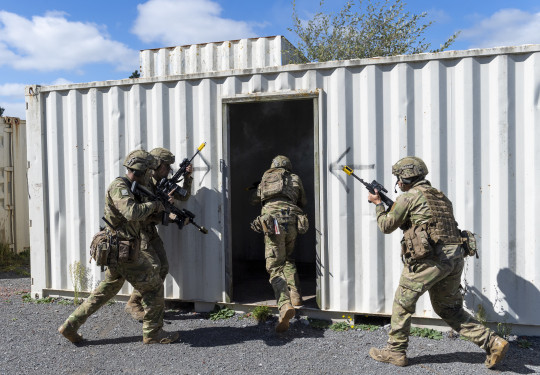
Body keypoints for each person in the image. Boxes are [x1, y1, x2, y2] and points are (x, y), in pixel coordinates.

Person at [367, 156, 509, 368]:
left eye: (398, 178)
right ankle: (493, 342)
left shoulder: (409, 197)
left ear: (406, 177)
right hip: (454, 257)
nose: (397, 183)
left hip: (431, 260)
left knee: (402, 302)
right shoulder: (440, 197)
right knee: (449, 309)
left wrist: (378, 204)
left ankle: (395, 351)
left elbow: (386, 225)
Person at [58, 149, 180, 344]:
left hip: (123, 248)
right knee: (153, 285)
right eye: (149, 170)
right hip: (122, 249)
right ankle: (153, 333)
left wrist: (162, 208)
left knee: (105, 290)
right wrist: (155, 205)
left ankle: (70, 326)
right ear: (142, 170)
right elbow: (132, 212)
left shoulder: (134, 188)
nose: (151, 174)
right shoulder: (119, 187)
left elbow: (142, 217)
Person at [125, 147, 193, 320]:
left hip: (151, 230)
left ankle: (149, 306)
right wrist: (160, 205)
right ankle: (135, 304)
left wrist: (187, 177)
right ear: (159, 165)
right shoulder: (143, 182)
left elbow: (183, 196)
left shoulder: (164, 182)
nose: (169, 170)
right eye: (167, 166)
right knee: (153, 268)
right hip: (140, 231)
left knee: (163, 267)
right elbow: (137, 210)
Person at [250, 155, 308, 332]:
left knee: (274, 266)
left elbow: (254, 200)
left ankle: (284, 305)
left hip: (272, 223)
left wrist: (258, 191)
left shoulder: (266, 178)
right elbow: (303, 201)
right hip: (291, 220)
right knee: (288, 258)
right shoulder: (295, 178)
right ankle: (296, 296)